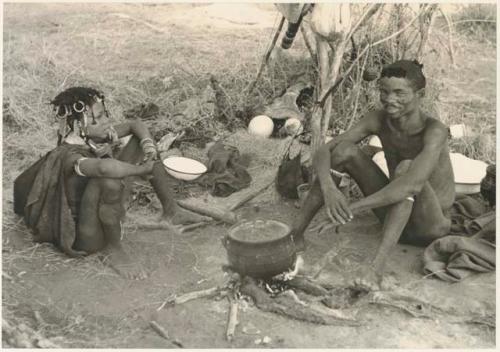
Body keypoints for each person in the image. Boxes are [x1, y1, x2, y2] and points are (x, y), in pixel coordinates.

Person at [290, 60, 455, 291]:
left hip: (428, 226)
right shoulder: (379, 118)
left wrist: (351, 208)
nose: (390, 99)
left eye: (400, 93)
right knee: (344, 151)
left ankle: (375, 269)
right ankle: (295, 236)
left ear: (421, 94)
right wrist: (330, 189)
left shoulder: (434, 130)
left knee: (406, 169)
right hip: (393, 215)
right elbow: (324, 150)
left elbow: (411, 185)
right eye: (384, 92)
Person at [14, 87, 207, 279]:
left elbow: (135, 124)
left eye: (104, 114)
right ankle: (112, 248)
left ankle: (171, 211)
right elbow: (103, 169)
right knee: (108, 181)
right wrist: (142, 169)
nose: (106, 121)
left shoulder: (90, 138)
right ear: (77, 126)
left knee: (142, 144)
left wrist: (148, 146)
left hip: (106, 211)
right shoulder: (69, 156)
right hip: (87, 236)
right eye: (98, 118)